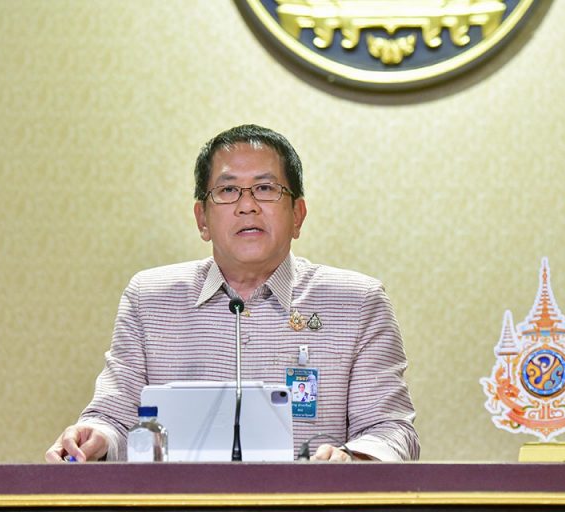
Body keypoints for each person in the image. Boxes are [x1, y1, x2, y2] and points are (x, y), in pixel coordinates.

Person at [45, 124, 420, 463]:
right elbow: (114, 418)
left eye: (266, 189)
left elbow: (391, 430)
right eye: (227, 190)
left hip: (309, 506)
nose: (247, 206)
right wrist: (95, 437)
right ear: (202, 220)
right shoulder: (150, 299)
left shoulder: (357, 303)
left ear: (298, 215)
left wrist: (352, 459)